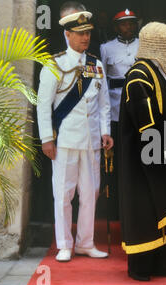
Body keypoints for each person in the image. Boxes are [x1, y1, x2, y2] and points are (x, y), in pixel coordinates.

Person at [37, 8, 114, 262]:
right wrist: (47, 138)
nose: (85, 38)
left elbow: (104, 104)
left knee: (91, 192)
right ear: (67, 34)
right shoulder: (55, 64)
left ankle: (85, 242)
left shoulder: (96, 65)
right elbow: (43, 105)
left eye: (88, 34)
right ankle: (64, 244)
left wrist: (105, 131)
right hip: (65, 140)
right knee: (63, 193)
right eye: (79, 34)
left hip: (91, 140)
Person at [118, 22, 166, 281]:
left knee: (161, 206)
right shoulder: (138, 76)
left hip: (158, 155)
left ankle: (162, 264)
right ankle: (141, 268)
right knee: (144, 211)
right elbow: (146, 125)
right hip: (141, 160)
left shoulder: (155, 72)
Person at [99, 9, 139, 221]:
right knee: (114, 162)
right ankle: (115, 207)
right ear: (117, 27)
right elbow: (102, 82)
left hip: (137, 109)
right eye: (124, 24)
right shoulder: (106, 48)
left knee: (135, 160)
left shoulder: (143, 45)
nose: (128, 27)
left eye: (131, 23)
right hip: (115, 109)